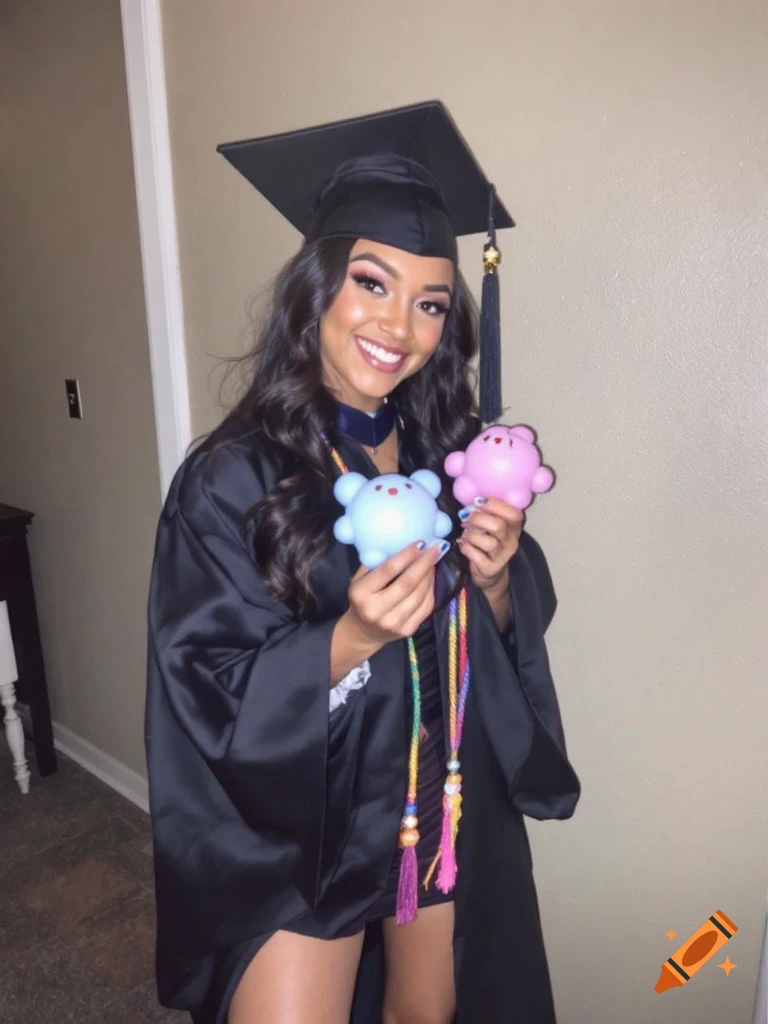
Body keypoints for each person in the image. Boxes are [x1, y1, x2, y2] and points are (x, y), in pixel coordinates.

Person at [145, 101, 580, 1024]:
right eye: (371, 283)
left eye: (429, 302)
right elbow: (205, 683)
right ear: (318, 289)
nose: (401, 326)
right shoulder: (233, 477)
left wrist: (498, 579)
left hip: (436, 795)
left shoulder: (446, 450)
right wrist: (347, 636)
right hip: (305, 820)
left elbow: (491, 640)